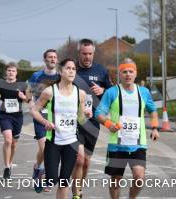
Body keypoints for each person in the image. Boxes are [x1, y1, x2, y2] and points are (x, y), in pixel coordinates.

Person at [95, 58, 160, 199]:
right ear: (120, 74)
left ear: (136, 74)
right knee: (115, 181)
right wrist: (108, 124)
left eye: (131, 71)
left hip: (138, 145)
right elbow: (99, 113)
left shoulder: (144, 92)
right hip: (117, 146)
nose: (128, 74)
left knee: (139, 177)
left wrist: (155, 128)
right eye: (124, 72)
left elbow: (153, 110)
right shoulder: (112, 92)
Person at [31, 58, 92, 198]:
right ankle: (41, 174)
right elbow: (34, 110)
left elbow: (80, 119)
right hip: (54, 141)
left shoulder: (80, 94)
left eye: (73, 69)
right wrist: (45, 122)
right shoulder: (50, 91)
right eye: (68, 68)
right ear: (60, 71)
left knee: (64, 181)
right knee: (52, 180)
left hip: (71, 142)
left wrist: (87, 115)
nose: (71, 71)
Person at [72, 38, 112, 198]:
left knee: (86, 162)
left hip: (93, 123)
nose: (87, 57)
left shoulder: (101, 70)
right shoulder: (71, 69)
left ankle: (79, 188)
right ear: (79, 53)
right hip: (74, 122)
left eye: (90, 54)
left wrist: (103, 90)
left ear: (93, 53)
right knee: (79, 160)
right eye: (84, 54)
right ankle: (76, 193)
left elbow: (111, 92)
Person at [26, 49, 60, 187]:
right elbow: (29, 91)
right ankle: (46, 177)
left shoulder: (61, 76)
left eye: (55, 57)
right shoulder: (37, 76)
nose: (52, 59)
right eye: (50, 57)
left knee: (49, 149)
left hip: (56, 117)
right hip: (41, 116)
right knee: (45, 147)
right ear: (45, 59)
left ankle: (37, 166)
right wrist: (30, 102)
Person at [0, 62, 27, 179]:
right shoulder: (1, 84)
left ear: (16, 73)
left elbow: (28, 100)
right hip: (4, 116)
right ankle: (7, 167)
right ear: (6, 72)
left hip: (17, 117)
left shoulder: (22, 85)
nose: (11, 72)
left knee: (14, 144)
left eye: (13, 71)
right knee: (8, 140)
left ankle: (10, 162)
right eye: (9, 70)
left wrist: (23, 97)